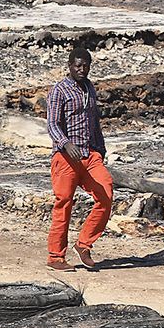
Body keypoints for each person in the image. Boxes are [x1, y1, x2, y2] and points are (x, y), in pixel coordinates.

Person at [44, 46, 113, 272]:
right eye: (78, 65)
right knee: (64, 203)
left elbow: (95, 122)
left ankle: (84, 244)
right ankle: (56, 256)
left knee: (106, 194)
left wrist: (100, 149)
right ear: (70, 66)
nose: (82, 69)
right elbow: (52, 124)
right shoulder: (59, 91)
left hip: (90, 154)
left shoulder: (89, 88)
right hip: (66, 157)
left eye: (86, 66)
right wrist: (65, 143)